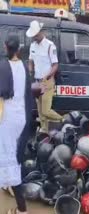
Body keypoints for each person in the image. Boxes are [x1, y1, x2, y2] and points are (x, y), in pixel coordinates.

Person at [0, 35, 32, 214]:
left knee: (10, 160)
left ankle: (22, 209)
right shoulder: (24, 66)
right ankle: (9, 187)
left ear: (6, 47)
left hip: (7, 117)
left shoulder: (3, 66)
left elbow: (2, 91)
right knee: (12, 156)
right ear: (17, 48)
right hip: (21, 116)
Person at [27, 20, 63, 133]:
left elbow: (55, 65)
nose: (35, 37)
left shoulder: (50, 46)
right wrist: (30, 70)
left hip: (47, 82)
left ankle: (63, 120)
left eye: (36, 35)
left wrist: (47, 76)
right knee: (41, 113)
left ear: (41, 32)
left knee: (46, 111)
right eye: (33, 35)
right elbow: (31, 60)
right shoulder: (32, 45)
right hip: (37, 82)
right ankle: (44, 131)